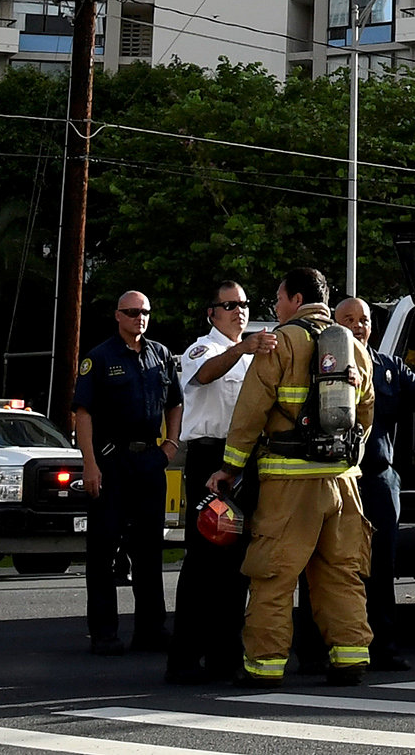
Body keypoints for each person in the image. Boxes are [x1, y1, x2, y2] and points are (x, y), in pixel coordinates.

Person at [214, 266, 376, 688]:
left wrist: (229, 468)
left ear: (295, 298)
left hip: (289, 484)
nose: (276, 306)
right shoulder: (355, 349)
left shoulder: (281, 342)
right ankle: (351, 658)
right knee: (342, 573)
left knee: (273, 574)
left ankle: (264, 666)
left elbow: (250, 413)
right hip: (343, 484)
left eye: (279, 298)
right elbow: (367, 413)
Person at [72, 289, 181, 656]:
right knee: (104, 549)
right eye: (132, 312)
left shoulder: (160, 355)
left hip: (149, 460)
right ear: (117, 315)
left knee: (149, 549)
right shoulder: (99, 358)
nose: (140, 318)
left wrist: (171, 445)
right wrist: (89, 463)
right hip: (111, 460)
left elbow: (175, 402)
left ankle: (151, 629)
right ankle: (104, 632)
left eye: (145, 312)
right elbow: (83, 412)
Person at [166, 277, 263, 684]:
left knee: (236, 565)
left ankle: (224, 655)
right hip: (211, 461)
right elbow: (203, 375)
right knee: (205, 559)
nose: (238, 311)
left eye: (243, 304)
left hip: (244, 461)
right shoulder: (204, 347)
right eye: (229, 305)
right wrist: (241, 348)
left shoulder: (250, 355)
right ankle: (185, 658)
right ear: (212, 312)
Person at [336, 295, 415, 672]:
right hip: (333, 478)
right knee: (330, 565)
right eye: (347, 319)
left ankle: (384, 647)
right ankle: (321, 647)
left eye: (362, 319)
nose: (357, 325)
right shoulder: (318, 363)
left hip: (378, 479)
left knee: (381, 566)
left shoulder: (388, 366)